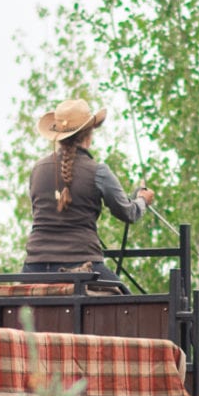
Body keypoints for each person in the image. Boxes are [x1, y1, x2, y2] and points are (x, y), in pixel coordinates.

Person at [22, 98, 151, 284]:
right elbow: (128, 212)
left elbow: (39, 212)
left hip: (33, 270)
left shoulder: (38, 169)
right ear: (89, 134)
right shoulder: (98, 171)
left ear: (58, 135)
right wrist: (142, 200)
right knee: (130, 307)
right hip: (82, 267)